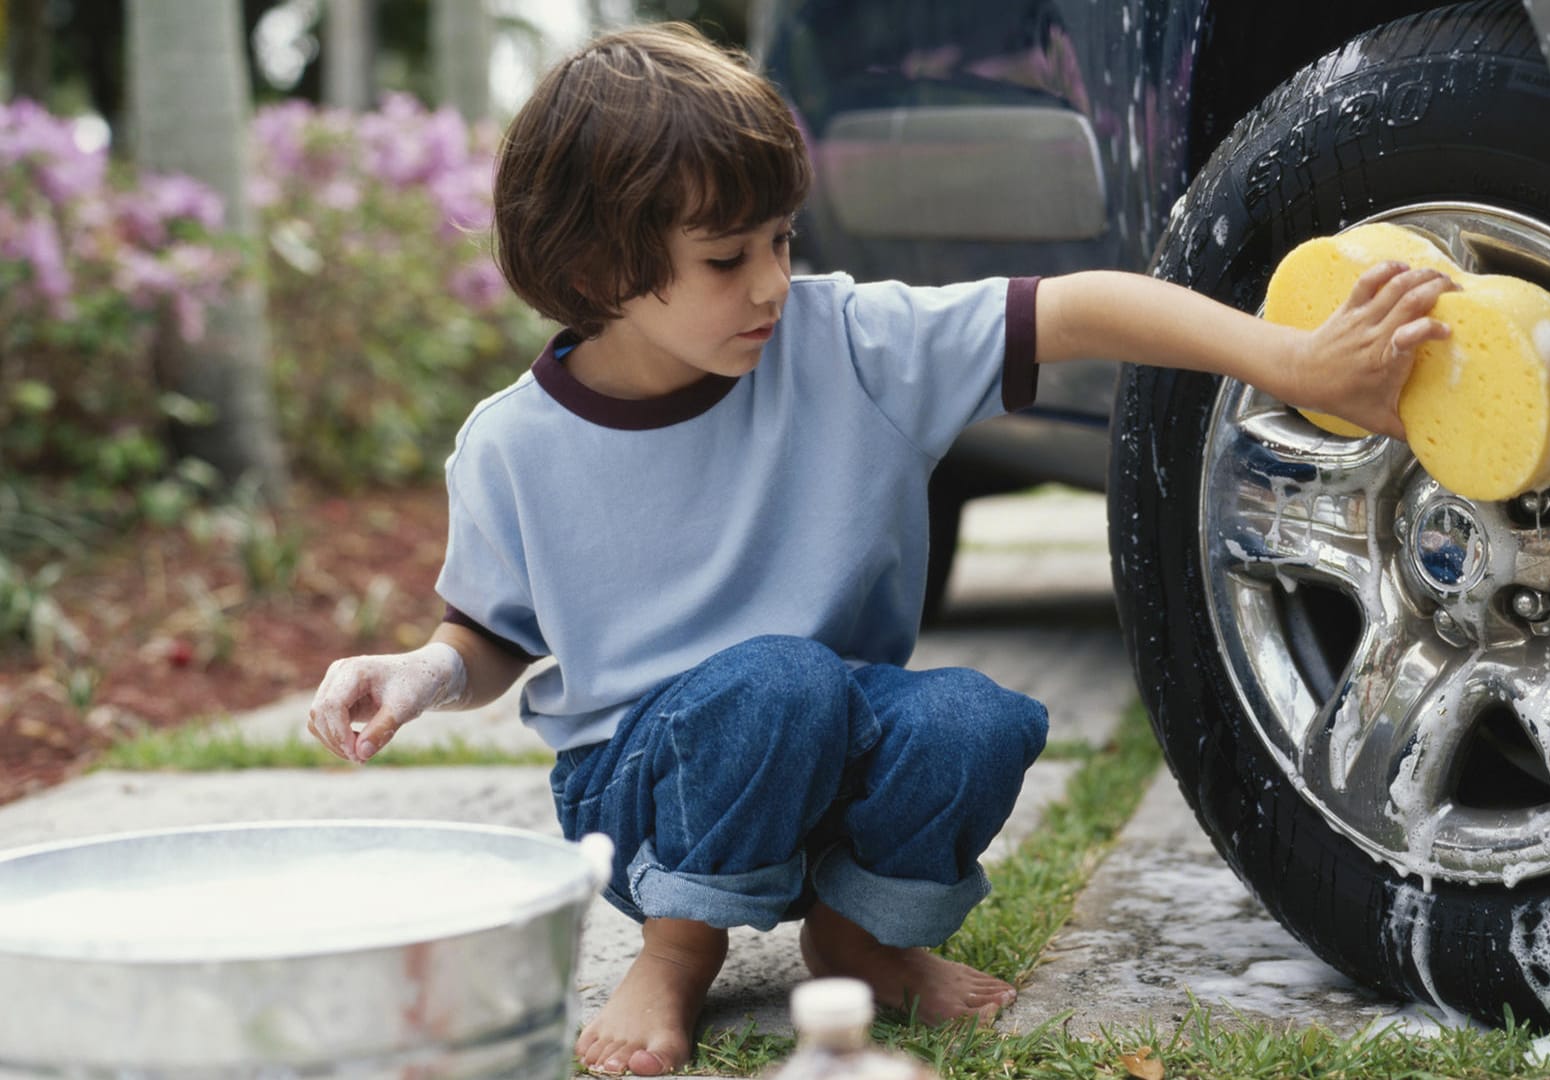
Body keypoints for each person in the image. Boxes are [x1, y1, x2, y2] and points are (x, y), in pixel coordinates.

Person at [305, 22, 1453, 1078]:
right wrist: (420, 672)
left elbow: (1080, 308)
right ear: (604, 270)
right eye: (725, 260)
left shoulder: (844, 342)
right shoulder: (514, 446)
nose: (771, 283)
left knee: (973, 718)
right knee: (779, 680)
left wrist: (1290, 361)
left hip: (829, 725)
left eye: (781, 241)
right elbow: (492, 636)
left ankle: (859, 939)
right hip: (643, 780)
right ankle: (677, 951)